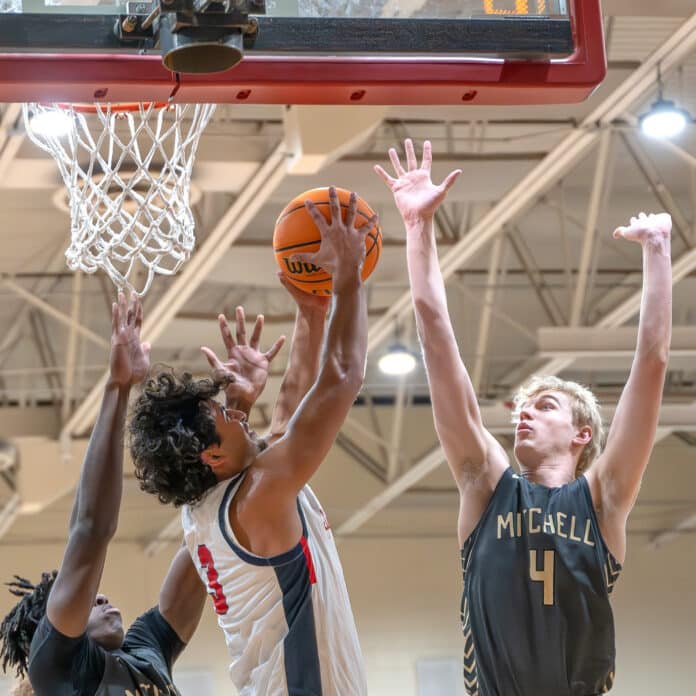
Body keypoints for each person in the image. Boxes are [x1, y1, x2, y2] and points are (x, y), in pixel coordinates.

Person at [375, 139, 672, 696]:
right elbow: (436, 336)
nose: (525, 414)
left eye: (546, 405)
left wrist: (657, 249)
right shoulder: (485, 485)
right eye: (524, 407)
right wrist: (418, 228)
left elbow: (652, 364)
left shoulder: (603, 498)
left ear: (583, 434)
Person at [129, 187, 376, 695]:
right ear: (212, 455)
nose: (238, 415)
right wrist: (348, 275)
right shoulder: (260, 495)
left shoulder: (210, 506)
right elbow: (344, 376)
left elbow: (284, 423)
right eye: (224, 414)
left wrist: (312, 312)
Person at [0, 293, 208, 696]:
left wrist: (233, 418)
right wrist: (117, 389)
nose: (102, 597)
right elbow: (90, 531)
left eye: (93, 598)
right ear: (50, 629)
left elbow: (203, 545)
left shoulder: (146, 653)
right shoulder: (59, 671)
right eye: (87, 600)